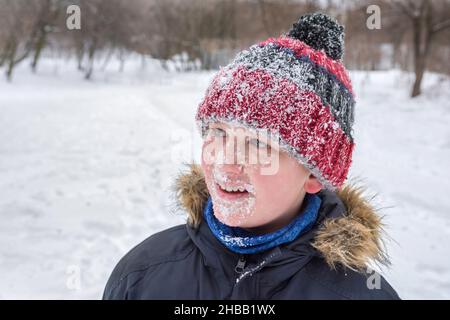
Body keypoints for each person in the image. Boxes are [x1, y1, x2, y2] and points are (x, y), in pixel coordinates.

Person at [103, 12, 400, 300]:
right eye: (218, 133)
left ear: (313, 174)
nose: (225, 162)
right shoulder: (142, 275)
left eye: (258, 144)